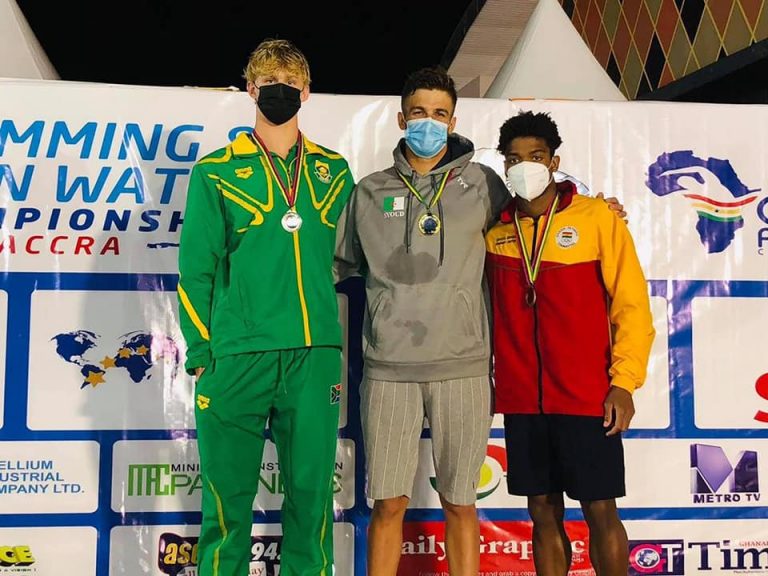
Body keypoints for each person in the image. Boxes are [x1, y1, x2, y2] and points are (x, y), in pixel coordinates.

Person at [334, 68, 626, 576]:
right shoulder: (368, 193)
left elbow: (539, 211)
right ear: (402, 119)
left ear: (453, 122)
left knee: (460, 503)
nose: (428, 123)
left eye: (440, 114)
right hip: (388, 371)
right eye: (419, 112)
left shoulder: (484, 185)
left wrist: (599, 207)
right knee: (388, 504)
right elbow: (335, 266)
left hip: (465, 369)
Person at [177, 39, 354, 576]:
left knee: (312, 501)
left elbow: (361, 252)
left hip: (313, 355)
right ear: (251, 90)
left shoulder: (334, 171)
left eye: (290, 84)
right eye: (269, 84)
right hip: (237, 356)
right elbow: (196, 269)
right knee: (225, 506)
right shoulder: (215, 171)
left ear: (307, 91)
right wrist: (201, 351)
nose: (280, 92)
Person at [485, 111, 655, 576]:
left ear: (554, 161)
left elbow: (632, 307)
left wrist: (624, 383)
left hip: (586, 395)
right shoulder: (496, 231)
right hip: (524, 398)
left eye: (536, 156)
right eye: (514, 158)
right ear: (504, 165)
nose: (525, 166)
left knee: (600, 508)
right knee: (541, 510)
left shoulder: (596, 217)